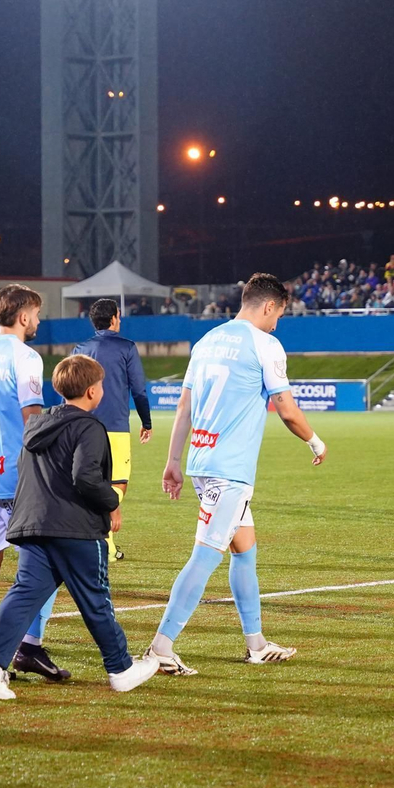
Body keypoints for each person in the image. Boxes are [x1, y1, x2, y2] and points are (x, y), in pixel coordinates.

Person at [143, 273, 326, 676]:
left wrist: (173, 461)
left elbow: (184, 407)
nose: (277, 323)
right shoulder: (265, 344)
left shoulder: (207, 341)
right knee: (206, 555)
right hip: (229, 471)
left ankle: (256, 644)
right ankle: (160, 648)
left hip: (202, 462)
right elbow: (287, 409)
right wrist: (315, 442)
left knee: (244, 549)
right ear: (269, 305)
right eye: (279, 314)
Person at [0, 356, 161, 699]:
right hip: (75, 528)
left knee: (23, 595)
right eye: (100, 385)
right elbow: (85, 478)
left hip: (34, 527)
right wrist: (112, 501)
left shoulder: (36, 425)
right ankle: (121, 668)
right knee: (96, 599)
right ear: (91, 391)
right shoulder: (89, 427)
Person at [0, 283, 66, 681]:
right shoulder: (25, 357)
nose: (38, 321)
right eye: (36, 314)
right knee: (46, 563)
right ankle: (28, 647)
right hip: (17, 476)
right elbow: (32, 420)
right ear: (23, 316)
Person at [71, 298, 153, 560]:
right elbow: (138, 389)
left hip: (82, 426)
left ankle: (96, 542)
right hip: (115, 427)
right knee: (118, 482)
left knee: (89, 481)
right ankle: (104, 541)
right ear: (114, 318)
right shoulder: (126, 347)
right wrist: (146, 422)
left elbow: (69, 389)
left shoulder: (80, 349)